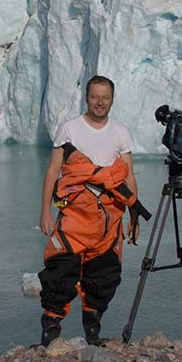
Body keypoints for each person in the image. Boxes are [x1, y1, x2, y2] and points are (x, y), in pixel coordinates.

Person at [37, 75, 140, 346]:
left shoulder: (120, 132)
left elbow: (128, 177)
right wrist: (45, 211)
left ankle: (92, 331)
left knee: (104, 275)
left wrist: (134, 212)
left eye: (105, 97)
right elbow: (52, 171)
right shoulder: (70, 129)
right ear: (87, 97)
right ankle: (51, 332)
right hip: (75, 217)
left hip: (110, 217)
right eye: (95, 96)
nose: (100, 102)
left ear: (112, 100)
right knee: (60, 271)